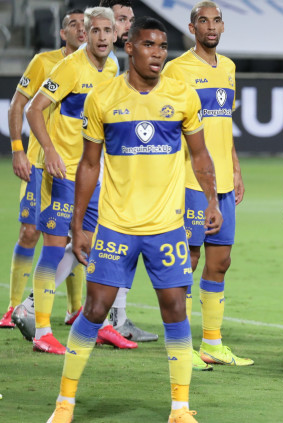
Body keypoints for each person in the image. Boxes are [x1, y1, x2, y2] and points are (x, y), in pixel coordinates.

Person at [46, 16, 221, 423]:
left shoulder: (182, 96)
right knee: (95, 309)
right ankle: (64, 403)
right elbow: (89, 165)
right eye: (148, 45)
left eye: (163, 46)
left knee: (175, 309)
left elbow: (200, 155)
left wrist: (212, 200)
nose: (158, 54)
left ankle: (180, 408)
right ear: (129, 47)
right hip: (116, 227)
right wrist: (79, 225)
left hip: (166, 228)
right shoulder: (103, 98)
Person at [24, 6, 135, 355]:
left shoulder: (113, 67)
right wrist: (49, 151)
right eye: (95, 31)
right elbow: (33, 109)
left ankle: (96, 323)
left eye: (107, 30)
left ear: (115, 34)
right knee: (55, 246)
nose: (102, 37)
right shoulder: (70, 67)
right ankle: (41, 329)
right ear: (85, 34)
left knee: (94, 246)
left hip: (93, 173)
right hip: (63, 172)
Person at [162, 0, 251, 371]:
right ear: (192, 27)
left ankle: (212, 344)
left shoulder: (228, 68)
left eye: (216, 21)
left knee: (220, 260)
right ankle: (181, 346)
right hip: (190, 181)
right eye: (203, 21)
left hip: (223, 183)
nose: (211, 27)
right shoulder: (176, 69)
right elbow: (167, 125)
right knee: (189, 260)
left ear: (223, 26)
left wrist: (235, 169)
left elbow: (223, 125)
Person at [2, 9, 87, 332]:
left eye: (86, 24)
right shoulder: (43, 61)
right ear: (63, 33)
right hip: (39, 164)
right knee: (30, 231)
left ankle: (74, 309)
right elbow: (17, 105)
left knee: (74, 233)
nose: (81, 29)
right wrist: (17, 150)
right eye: (73, 25)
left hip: (76, 166)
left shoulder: (101, 66)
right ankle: (13, 307)